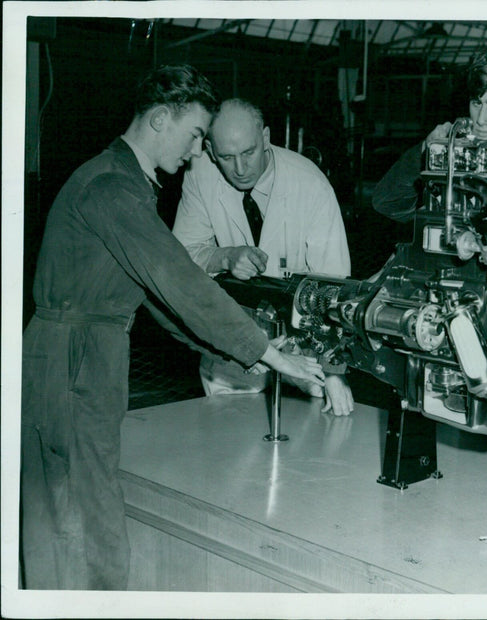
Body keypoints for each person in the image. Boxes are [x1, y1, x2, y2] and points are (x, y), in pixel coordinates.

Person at [20, 65, 325, 591]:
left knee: (72, 515)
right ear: (161, 119)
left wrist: (238, 354)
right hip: (73, 366)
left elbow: (159, 301)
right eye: (196, 135)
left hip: (79, 361)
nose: (197, 152)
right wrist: (269, 353)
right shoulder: (111, 186)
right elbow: (177, 280)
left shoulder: (122, 183)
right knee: (83, 527)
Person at [172, 98, 354, 416]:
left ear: (266, 138)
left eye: (249, 153)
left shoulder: (311, 186)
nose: (240, 169)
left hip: (305, 345)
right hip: (234, 343)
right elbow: (178, 259)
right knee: (228, 446)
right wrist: (224, 257)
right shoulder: (199, 173)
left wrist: (334, 372)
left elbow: (334, 289)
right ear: (210, 151)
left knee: (317, 437)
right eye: (227, 157)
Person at [372, 40, 487, 222]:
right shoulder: (457, 151)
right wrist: (423, 153)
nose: (481, 119)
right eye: (477, 103)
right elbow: (387, 204)